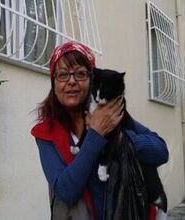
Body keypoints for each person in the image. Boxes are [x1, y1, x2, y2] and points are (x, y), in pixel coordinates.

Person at [31, 41, 168, 220]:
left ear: (92, 80)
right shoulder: (45, 133)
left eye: (80, 74)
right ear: (54, 84)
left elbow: (161, 152)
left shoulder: (112, 113)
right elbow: (66, 192)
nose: (71, 81)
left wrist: (120, 139)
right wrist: (95, 135)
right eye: (63, 75)